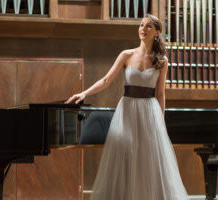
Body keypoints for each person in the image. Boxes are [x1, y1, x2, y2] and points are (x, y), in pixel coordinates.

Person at [66, 14, 188, 199]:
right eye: (141, 25)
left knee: (148, 160)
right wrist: (84, 93)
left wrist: (161, 123)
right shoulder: (126, 55)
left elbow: (161, 94)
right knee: (125, 157)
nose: (143, 29)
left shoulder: (161, 61)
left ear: (157, 32)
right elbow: (106, 80)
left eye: (148, 26)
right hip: (127, 110)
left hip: (150, 112)